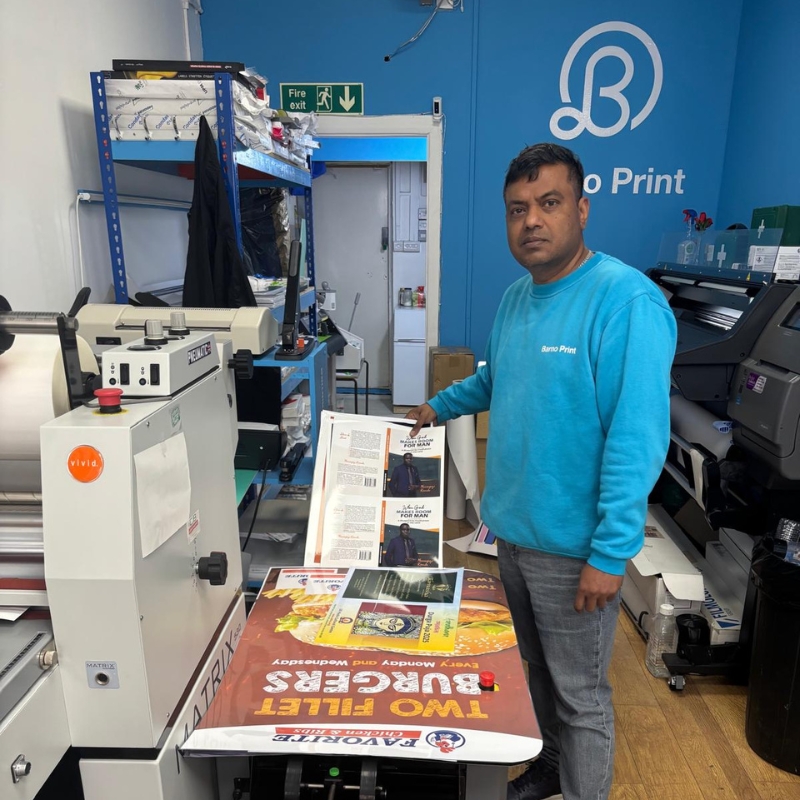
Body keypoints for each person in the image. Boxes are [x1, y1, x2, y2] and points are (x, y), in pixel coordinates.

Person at [406, 143, 676, 800]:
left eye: (549, 204)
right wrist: (436, 407)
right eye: (517, 209)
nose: (531, 221)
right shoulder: (517, 299)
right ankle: (551, 767)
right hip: (512, 538)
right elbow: (499, 381)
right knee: (535, 670)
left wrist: (610, 554)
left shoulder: (624, 302)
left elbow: (636, 439)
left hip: (574, 548)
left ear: (581, 209)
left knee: (582, 695)